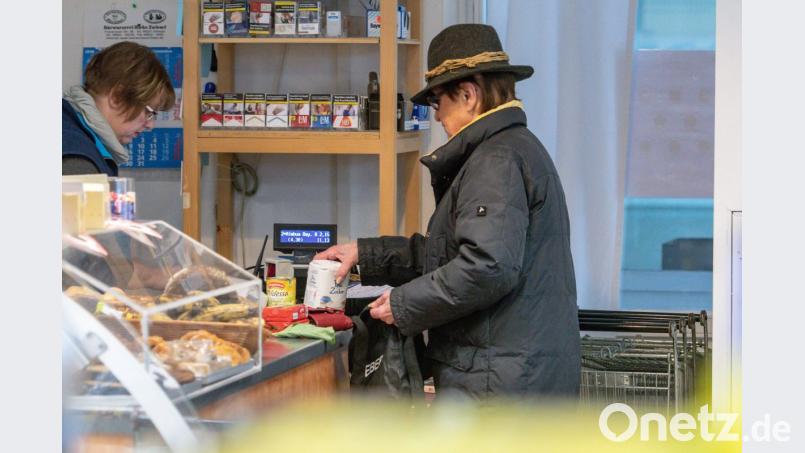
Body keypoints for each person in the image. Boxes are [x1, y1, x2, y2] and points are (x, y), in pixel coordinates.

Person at [314, 24, 581, 401]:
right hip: (512, 373)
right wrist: (365, 253)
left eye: (440, 102)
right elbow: (454, 253)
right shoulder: (511, 149)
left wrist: (404, 305)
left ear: (469, 95)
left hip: (497, 386)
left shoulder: (495, 160)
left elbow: (487, 266)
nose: (437, 117)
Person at [63, 41, 175, 176]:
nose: (150, 125)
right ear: (117, 98)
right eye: (148, 112)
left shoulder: (75, 132)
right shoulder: (77, 161)